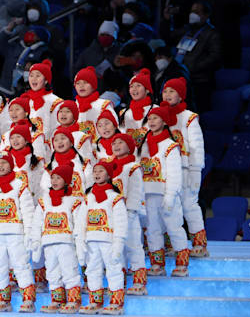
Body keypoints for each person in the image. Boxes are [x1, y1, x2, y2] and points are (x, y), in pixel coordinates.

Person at [0, 151, 37, 312]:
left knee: (21, 265)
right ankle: (2, 300)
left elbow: (27, 211)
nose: (1, 166)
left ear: (11, 165)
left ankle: (28, 299)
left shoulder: (20, 186)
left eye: (4, 163)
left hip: (15, 234)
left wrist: (29, 233)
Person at [140, 106, 189, 277]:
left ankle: (182, 263)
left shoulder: (170, 146)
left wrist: (170, 196)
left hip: (166, 195)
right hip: (148, 195)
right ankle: (156, 264)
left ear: (164, 121)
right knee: (152, 229)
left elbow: (175, 175)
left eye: (155, 118)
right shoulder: (143, 146)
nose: (152, 122)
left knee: (174, 227)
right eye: (149, 119)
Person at [161, 78, 207, 257]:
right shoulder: (159, 116)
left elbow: (197, 145)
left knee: (189, 205)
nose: (168, 95)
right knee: (167, 206)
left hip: (186, 169)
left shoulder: (189, 117)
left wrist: (196, 170)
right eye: (165, 91)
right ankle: (171, 243)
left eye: (173, 91)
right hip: (165, 170)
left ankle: (199, 243)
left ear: (181, 95)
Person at [29, 163, 84, 313]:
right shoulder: (44, 201)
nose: (54, 181)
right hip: (48, 243)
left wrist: (79, 244)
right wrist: (36, 241)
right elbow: (37, 222)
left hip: (66, 243)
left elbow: (79, 224)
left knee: (69, 270)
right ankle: (57, 299)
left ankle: (73, 300)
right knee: (52, 271)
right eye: (53, 177)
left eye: (58, 178)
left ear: (66, 181)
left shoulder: (74, 201)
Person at [78, 160, 127, 314]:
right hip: (92, 241)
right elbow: (81, 221)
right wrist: (80, 241)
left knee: (113, 269)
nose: (97, 174)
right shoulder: (88, 197)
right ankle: (95, 301)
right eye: (95, 171)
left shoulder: (115, 198)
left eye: (101, 171)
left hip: (109, 241)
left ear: (108, 174)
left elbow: (121, 223)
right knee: (92, 270)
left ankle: (116, 302)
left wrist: (118, 244)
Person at [161, 0, 221, 111]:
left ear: (206, 15)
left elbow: (214, 57)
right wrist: (167, 20)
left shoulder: (212, 33)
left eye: (197, 12)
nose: (193, 14)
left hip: (198, 81)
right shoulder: (187, 30)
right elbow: (168, 37)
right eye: (192, 11)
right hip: (179, 77)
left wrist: (192, 68)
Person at [108, 132, 147, 295]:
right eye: (114, 143)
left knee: (133, 246)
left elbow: (136, 190)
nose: (116, 146)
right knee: (118, 248)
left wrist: (130, 211)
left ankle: (139, 282)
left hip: (128, 214)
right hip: (114, 215)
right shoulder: (109, 167)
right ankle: (119, 282)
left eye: (120, 143)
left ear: (130, 147)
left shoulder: (133, 167)